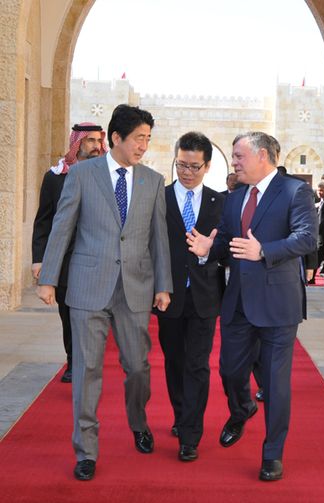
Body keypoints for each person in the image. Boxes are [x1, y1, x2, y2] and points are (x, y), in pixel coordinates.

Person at [37, 104, 173, 481]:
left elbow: (158, 239)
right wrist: (48, 278)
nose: (144, 145)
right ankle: (86, 450)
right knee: (87, 370)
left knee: (138, 368)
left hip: (135, 289)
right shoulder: (81, 175)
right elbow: (61, 228)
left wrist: (164, 285)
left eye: (148, 138)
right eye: (138, 138)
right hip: (86, 287)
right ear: (116, 138)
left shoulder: (152, 180)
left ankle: (138, 421)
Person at [186, 131, 318, 481]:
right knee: (229, 371)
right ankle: (242, 407)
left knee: (275, 384)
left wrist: (266, 251)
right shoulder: (235, 198)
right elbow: (229, 242)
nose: (235, 162)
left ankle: (272, 454)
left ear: (262, 156)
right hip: (239, 303)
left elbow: (306, 237)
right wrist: (207, 250)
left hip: (278, 305)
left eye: (239, 156)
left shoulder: (294, 191)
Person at [154, 132, 225, 462]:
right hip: (168, 296)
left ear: (207, 166)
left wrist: (206, 253)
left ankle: (190, 433)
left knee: (197, 364)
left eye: (194, 166)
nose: (186, 172)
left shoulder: (219, 202)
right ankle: (181, 413)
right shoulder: (160, 197)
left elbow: (224, 249)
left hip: (204, 298)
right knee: (175, 361)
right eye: (181, 164)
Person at [31, 122, 108, 383]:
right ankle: (74, 361)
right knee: (68, 313)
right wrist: (39, 259)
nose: (97, 146)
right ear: (77, 143)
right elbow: (44, 221)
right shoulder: (55, 177)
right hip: (65, 261)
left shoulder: (108, 176)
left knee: (91, 314)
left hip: (97, 259)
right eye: (90, 141)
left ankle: (88, 360)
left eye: (99, 141)